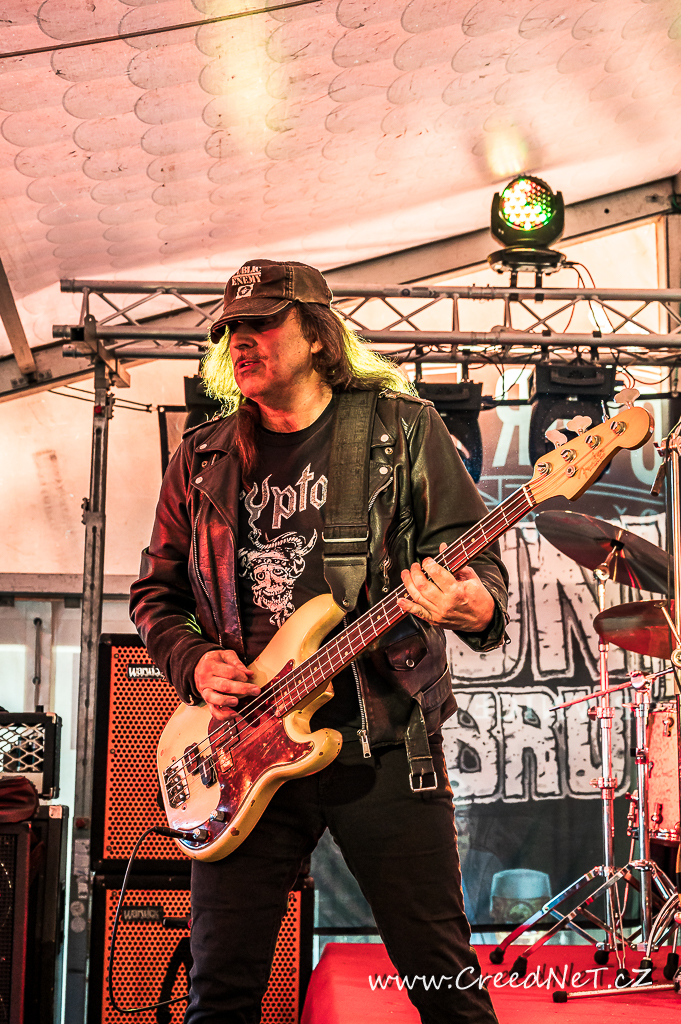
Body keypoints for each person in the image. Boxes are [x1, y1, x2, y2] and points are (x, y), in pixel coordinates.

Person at [130, 258, 509, 1024]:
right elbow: (156, 595)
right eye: (232, 329)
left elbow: (480, 570)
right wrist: (195, 661)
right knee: (219, 993)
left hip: (384, 742)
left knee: (443, 983)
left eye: (263, 322)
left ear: (316, 334)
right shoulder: (200, 457)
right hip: (237, 751)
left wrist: (469, 605)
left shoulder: (402, 429)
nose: (242, 340)